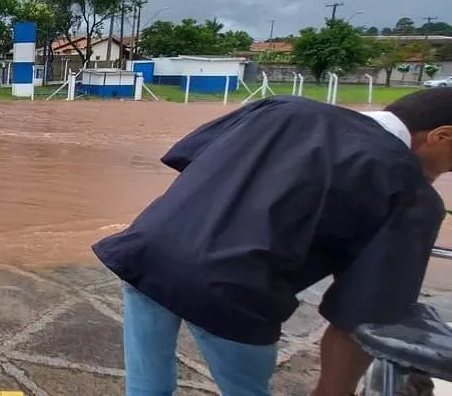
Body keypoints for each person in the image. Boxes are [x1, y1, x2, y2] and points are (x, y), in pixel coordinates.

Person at [92, 89, 452, 396]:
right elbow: (363, 311)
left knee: (146, 385)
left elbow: (190, 156)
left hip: (150, 250)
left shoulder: (282, 108)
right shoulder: (411, 192)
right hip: (235, 288)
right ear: (441, 136)